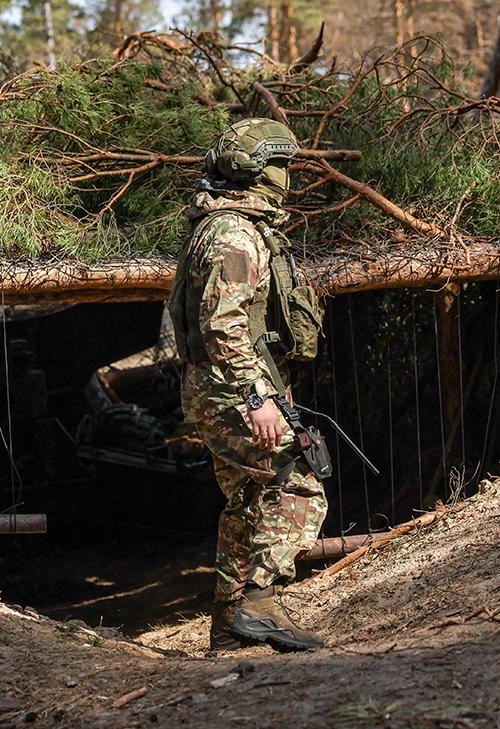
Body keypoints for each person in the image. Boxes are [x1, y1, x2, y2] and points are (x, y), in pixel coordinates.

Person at [168, 118, 328, 652]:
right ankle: (259, 606)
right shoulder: (235, 234)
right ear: (259, 172)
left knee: (250, 500)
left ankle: (229, 628)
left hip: (219, 386)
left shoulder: (222, 225)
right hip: (233, 387)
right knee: (299, 478)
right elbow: (222, 325)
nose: (286, 177)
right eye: (281, 166)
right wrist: (257, 397)